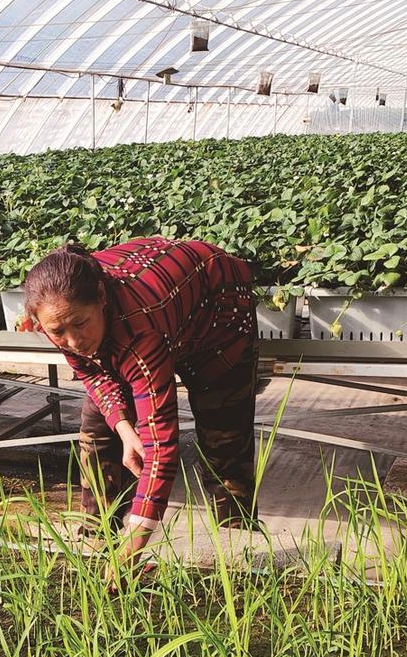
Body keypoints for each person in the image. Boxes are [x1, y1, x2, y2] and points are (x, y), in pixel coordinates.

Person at [22, 236, 260, 566]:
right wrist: (124, 428)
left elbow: (160, 445)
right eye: (58, 331)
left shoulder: (140, 332)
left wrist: (136, 541)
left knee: (224, 438)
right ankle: (96, 542)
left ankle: (238, 554)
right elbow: (92, 373)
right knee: (97, 429)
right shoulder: (60, 307)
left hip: (217, 312)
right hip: (156, 308)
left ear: (101, 298)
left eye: (80, 324)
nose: (73, 341)